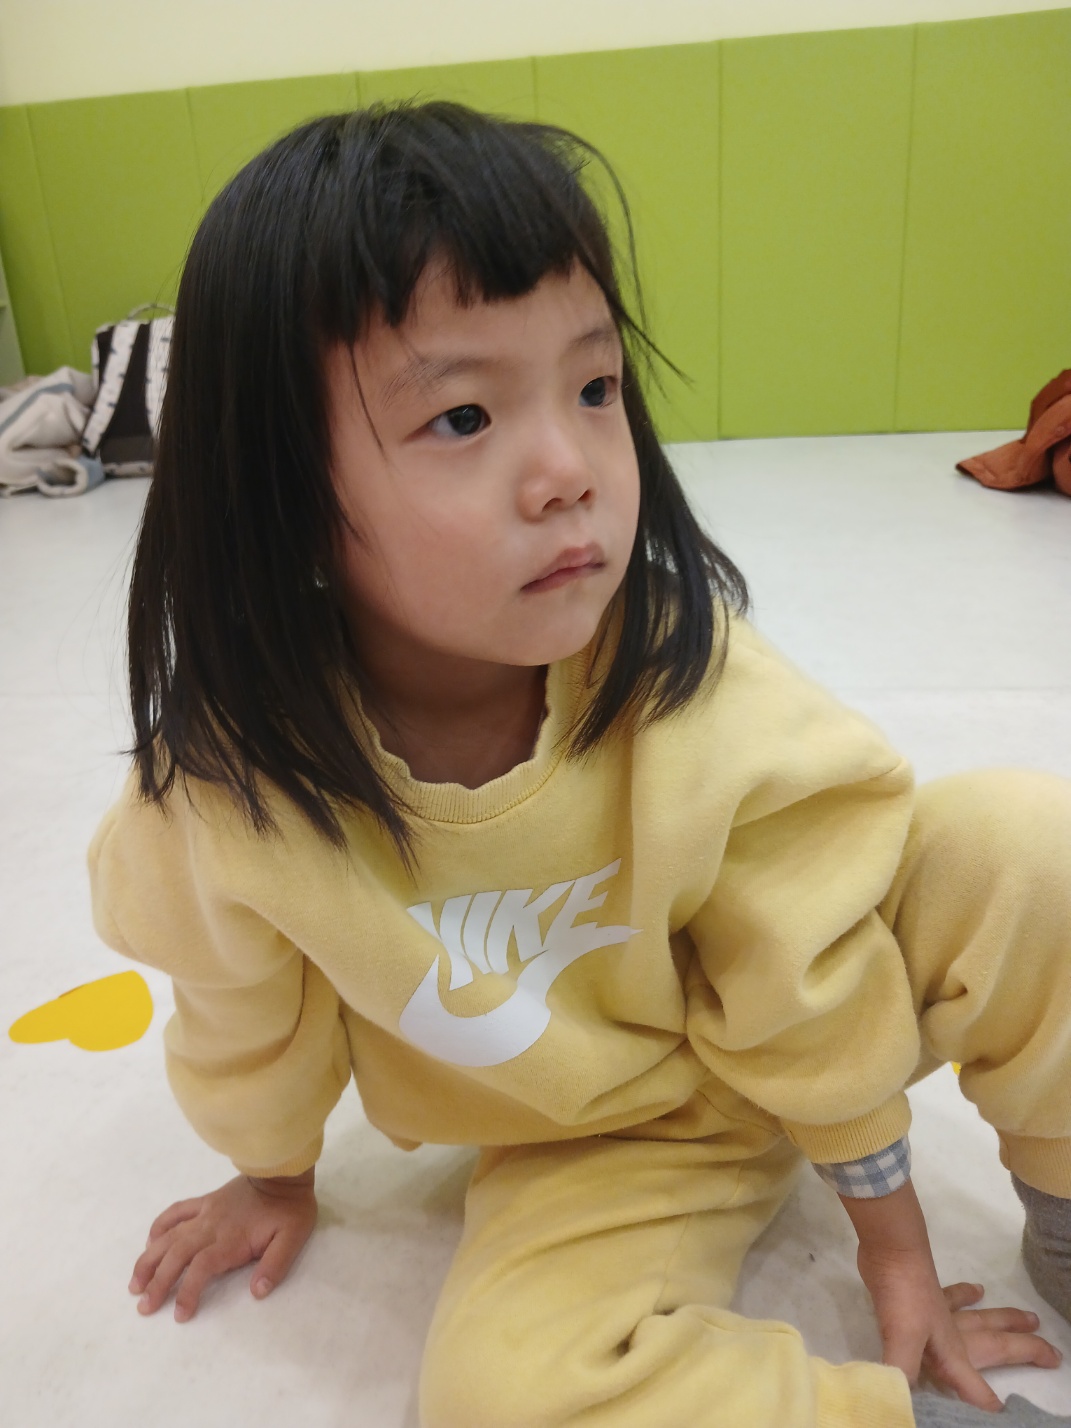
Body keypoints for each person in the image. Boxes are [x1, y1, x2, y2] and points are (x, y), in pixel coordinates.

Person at [88, 102, 1071, 1428]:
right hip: (618, 1130)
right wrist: (273, 1174)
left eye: (595, 388)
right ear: (280, 492)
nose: (570, 471)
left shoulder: (681, 679)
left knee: (1029, 847)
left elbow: (807, 959)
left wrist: (894, 1250)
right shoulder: (229, 793)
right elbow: (241, 1010)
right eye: (463, 416)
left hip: (828, 999)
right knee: (500, 1395)